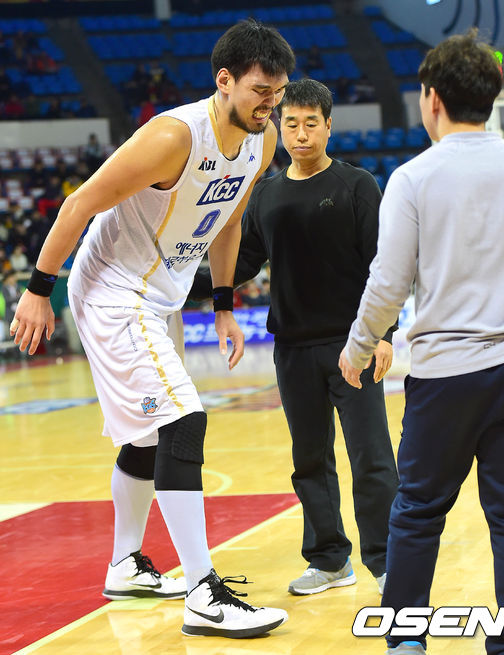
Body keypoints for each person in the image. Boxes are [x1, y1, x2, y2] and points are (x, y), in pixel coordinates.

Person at [11, 19, 296, 639]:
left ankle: (125, 564)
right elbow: (80, 203)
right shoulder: (173, 137)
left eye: (277, 93)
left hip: (161, 292)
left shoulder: (262, 138)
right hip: (113, 289)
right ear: (224, 81)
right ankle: (202, 591)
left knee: (147, 436)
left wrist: (223, 303)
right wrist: (37, 290)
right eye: (260, 92)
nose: (270, 105)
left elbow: (228, 220)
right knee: (181, 420)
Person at [339, 29, 504, 655]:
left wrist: (358, 346)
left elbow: (388, 282)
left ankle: (405, 640)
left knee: (418, 511)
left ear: (433, 99)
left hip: (447, 374)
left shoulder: (414, 177)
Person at [191, 78, 398, 596]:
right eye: (291, 124)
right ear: (279, 128)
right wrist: (180, 279)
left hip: (354, 346)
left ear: (329, 126)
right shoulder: (266, 193)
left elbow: (383, 265)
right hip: (292, 350)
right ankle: (329, 561)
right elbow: (241, 262)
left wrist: (384, 334)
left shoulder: (357, 185)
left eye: (311, 124)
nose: (301, 134)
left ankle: (387, 561)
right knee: (309, 461)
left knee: (371, 458)